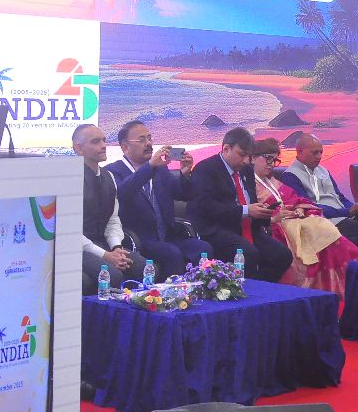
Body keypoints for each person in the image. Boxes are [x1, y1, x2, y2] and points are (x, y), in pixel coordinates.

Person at [250, 138, 358, 296]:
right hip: (274, 225)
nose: (272, 164)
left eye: (275, 160)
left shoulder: (272, 181)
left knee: (321, 227)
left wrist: (300, 208)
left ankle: (351, 275)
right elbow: (256, 211)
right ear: (253, 158)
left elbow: (295, 199)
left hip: (293, 219)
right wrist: (276, 216)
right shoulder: (249, 183)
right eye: (268, 158)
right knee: (319, 229)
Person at [104, 121, 210, 282]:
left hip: (168, 234)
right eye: (142, 140)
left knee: (203, 248)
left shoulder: (160, 169)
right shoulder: (113, 171)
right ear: (125, 147)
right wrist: (149, 167)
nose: (148, 143)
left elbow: (183, 194)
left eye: (149, 138)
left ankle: (201, 291)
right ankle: (171, 294)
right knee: (171, 253)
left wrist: (185, 173)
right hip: (139, 238)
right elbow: (123, 193)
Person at [186, 127, 292, 282]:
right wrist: (245, 210)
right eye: (242, 155)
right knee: (248, 253)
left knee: (283, 256)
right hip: (217, 228)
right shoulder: (205, 169)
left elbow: (250, 201)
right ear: (226, 149)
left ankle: (259, 288)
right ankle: (243, 290)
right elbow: (206, 207)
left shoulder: (246, 170)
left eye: (249, 156)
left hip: (247, 227)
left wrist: (263, 212)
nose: (246, 160)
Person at [72, 123, 147, 295]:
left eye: (104, 140)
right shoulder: (69, 178)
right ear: (79, 148)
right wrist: (104, 255)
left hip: (103, 243)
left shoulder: (109, 176)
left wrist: (116, 247)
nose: (103, 145)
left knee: (142, 267)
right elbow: (67, 231)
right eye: (96, 142)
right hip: (76, 248)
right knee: (113, 275)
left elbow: (113, 219)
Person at [277, 133, 358, 248]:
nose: (319, 156)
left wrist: (357, 207)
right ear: (300, 151)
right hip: (326, 219)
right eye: (315, 153)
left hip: (344, 213)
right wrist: (347, 212)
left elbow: (339, 197)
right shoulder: (290, 176)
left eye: (321, 152)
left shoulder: (323, 171)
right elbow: (308, 207)